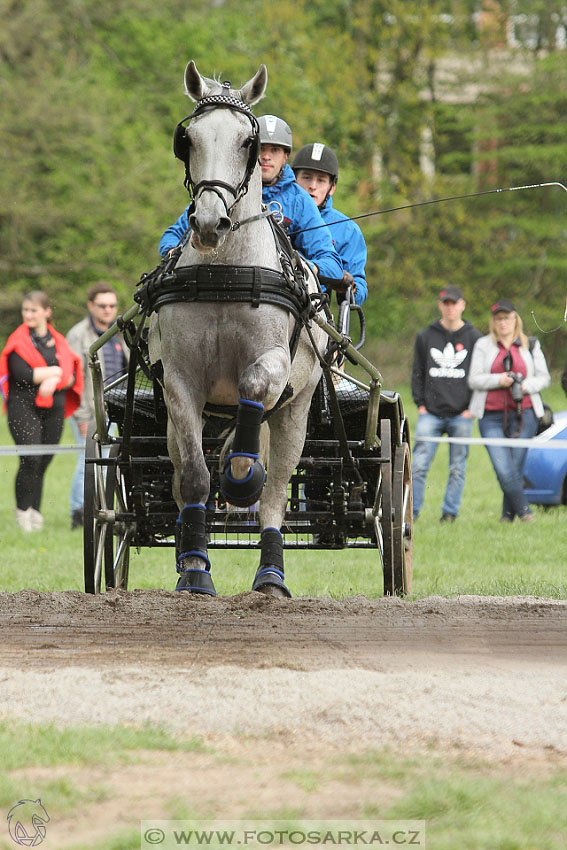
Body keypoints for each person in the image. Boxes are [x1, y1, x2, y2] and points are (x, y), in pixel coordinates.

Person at [158, 114, 344, 283]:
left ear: (286, 156)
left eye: (275, 150)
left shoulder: (299, 201)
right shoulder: (224, 192)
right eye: (261, 148)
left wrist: (307, 267)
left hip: (273, 293)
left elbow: (331, 263)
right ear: (249, 152)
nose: (266, 156)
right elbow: (172, 236)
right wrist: (173, 252)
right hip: (211, 286)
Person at [0, 291, 83, 532]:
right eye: (25, 310)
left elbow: (72, 375)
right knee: (31, 458)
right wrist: (56, 373)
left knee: (44, 458)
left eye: (33, 310)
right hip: (23, 405)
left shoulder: (59, 342)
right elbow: (23, 374)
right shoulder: (18, 342)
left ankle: (35, 511)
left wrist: (55, 378)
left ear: (47, 312)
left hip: (53, 407)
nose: (28, 315)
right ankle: (23, 512)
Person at [468, 298, 550, 523]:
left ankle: (506, 516)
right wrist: (499, 380)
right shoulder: (483, 345)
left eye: (507, 318)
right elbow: (474, 379)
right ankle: (525, 512)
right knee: (503, 468)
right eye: (499, 319)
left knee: (515, 466)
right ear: (493, 322)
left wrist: (523, 386)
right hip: (491, 415)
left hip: (525, 415)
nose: (503, 323)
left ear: (516, 318)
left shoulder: (530, 344)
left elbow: (544, 378)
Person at [411, 285, 482, 523]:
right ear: (441, 305)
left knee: (457, 468)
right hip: (429, 413)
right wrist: (420, 404)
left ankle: (450, 513)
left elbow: (479, 374)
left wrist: (470, 409)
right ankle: (413, 512)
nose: (450, 308)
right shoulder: (426, 336)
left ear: (462, 305)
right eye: (446, 303)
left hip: (461, 414)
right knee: (419, 466)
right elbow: (418, 371)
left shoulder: (475, 338)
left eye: (454, 303)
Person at [66, 282, 129, 529]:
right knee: (89, 461)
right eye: (102, 306)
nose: (107, 310)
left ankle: (99, 509)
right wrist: (83, 417)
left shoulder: (120, 331)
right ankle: (78, 512)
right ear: (90, 306)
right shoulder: (78, 335)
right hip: (90, 411)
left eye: (112, 305)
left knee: (107, 462)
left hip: (117, 407)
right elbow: (75, 378)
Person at [292, 142, 368, 306]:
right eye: (306, 178)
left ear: (331, 187)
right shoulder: (277, 211)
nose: (312, 186)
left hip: (314, 310)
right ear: (294, 179)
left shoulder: (348, 231)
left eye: (321, 180)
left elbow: (360, 288)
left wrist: (351, 287)